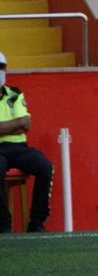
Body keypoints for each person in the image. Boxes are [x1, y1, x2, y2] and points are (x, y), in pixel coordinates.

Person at [0, 51, 54, 234]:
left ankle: (37, 222)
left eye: (1, 67)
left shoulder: (15, 94)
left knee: (45, 166)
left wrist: (5, 127)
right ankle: (3, 223)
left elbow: (27, 124)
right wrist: (16, 125)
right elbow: (21, 123)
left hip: (19, 147)